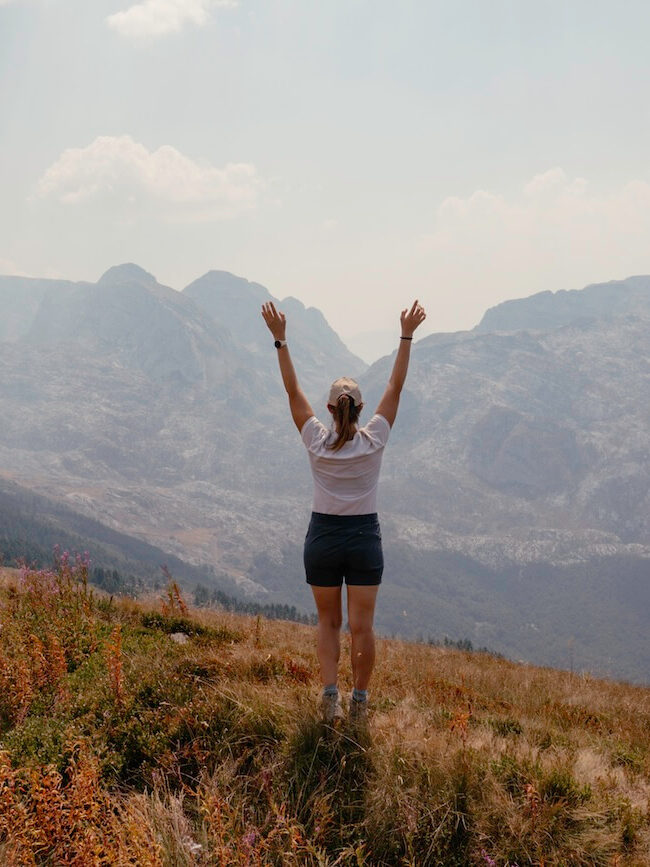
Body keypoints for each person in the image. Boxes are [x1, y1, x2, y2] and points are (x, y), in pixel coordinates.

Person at [261, 299, 426, 725]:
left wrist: (280, 340)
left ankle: (329, 698)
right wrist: (405, 335)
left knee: (328, 623)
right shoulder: (374, 440)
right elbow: (396, 388)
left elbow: (292, 392)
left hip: (323, 539)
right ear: (361, 408)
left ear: (332, 410)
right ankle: (360, 704)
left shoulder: (316, 440)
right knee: (362, 627)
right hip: (364, 539)